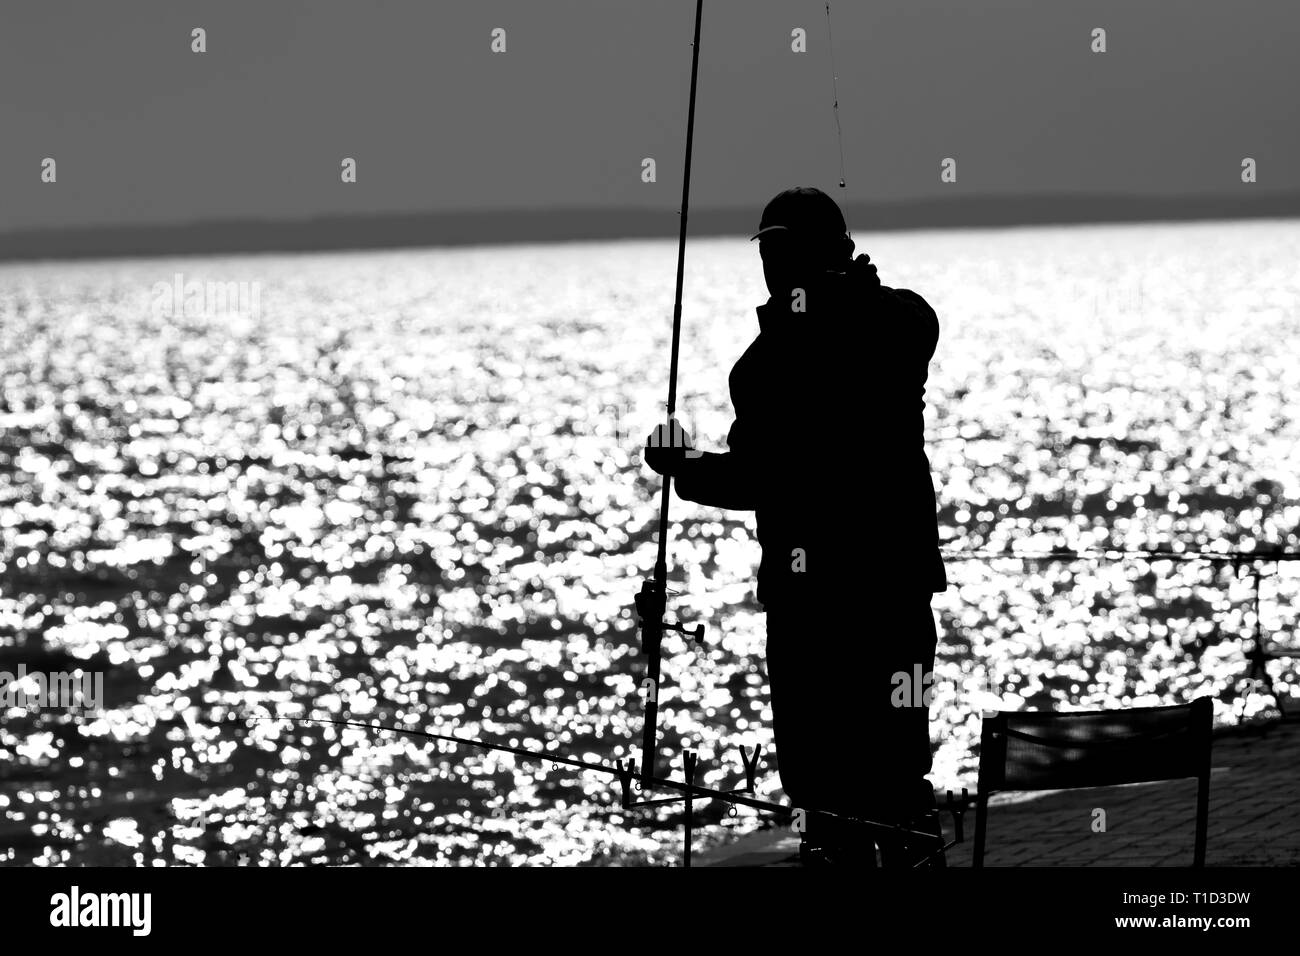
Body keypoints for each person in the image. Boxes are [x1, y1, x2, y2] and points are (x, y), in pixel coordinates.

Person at [643, 186, 949, 866]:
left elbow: (756, 478)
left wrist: (682, 465)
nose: (772, 266)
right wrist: (848, 289)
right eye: (769, 251)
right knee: (902, 773)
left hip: (812, 606)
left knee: (821, 786)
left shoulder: (771, 363)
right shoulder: (904, 323)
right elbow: (890, 323)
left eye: (781, 252)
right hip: (898, 593)